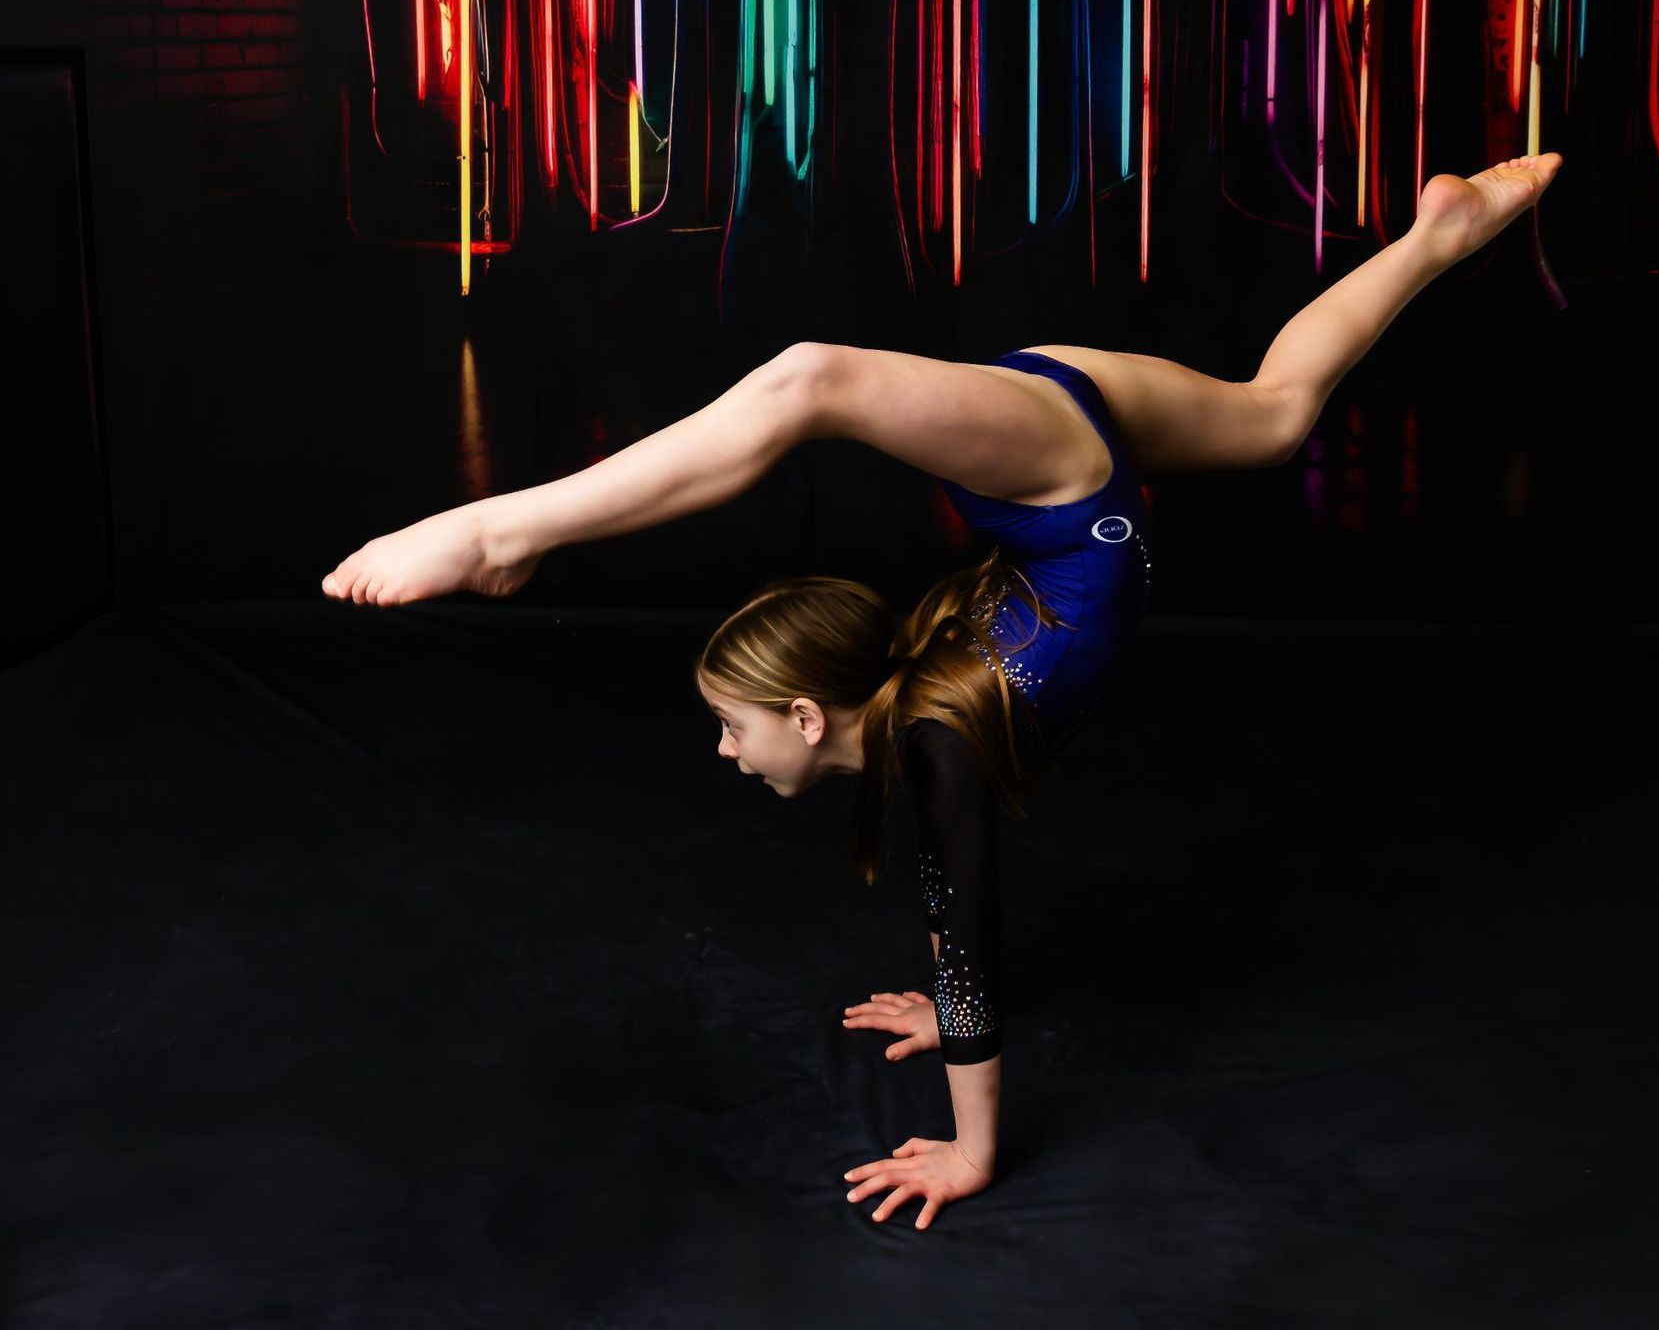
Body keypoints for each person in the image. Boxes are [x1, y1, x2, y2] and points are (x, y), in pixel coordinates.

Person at [321, 153, 1563, 1229]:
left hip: (1064, 484)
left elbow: (969, 929)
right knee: (1277, 415)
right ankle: (1437, 235)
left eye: (734, 727)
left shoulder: (937, 744)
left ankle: (497, 533)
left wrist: (972, 1150)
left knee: (811, 380)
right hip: (1065, 474)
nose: (723, 752)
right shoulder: (925, 713)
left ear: (812, 717)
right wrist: (936, 991)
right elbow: (941, 901)